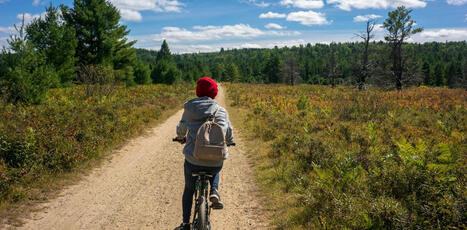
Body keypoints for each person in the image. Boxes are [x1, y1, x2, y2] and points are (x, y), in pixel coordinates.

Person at [175, 77, 235, 230]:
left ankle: (185, 224)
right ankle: (214, 190)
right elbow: (228, 132)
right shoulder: (221, 111)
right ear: (214, 93)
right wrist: (230, 141)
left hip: (193, 159)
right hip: (215, 161)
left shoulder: (189, 109)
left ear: (197, 92)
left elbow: (181, 129)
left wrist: (181, 137)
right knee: (215, 166)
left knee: (189, 189)